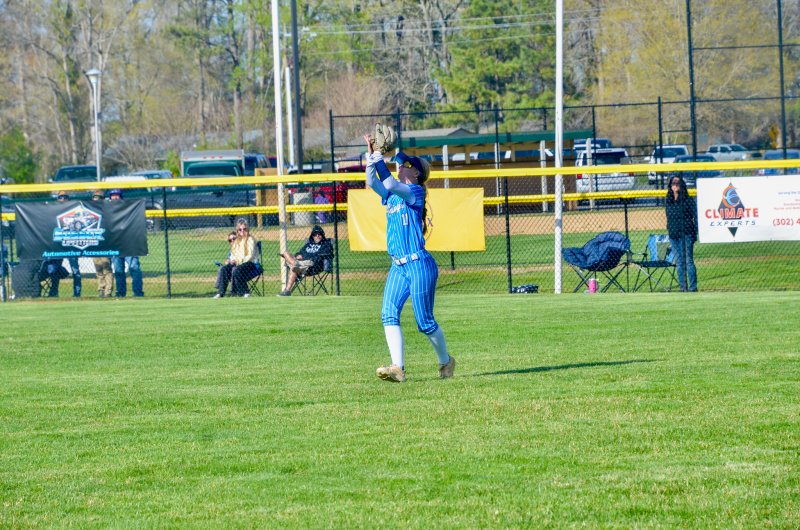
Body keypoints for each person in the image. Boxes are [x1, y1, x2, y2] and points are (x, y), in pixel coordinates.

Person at [362, 131, 455, 382]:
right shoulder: (392, 195)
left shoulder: (414, 192)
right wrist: (373, 154)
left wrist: (383, 156)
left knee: (424, 322)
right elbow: (373, 182)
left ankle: (446, 361)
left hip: (419, 264)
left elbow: (390, 181)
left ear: (415, 174)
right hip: (398, 266)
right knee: (388, 313)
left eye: (406, 166)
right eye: (401, 165)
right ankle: (397, 368)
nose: (402, 167)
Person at [278, 224, 334, 296]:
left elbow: (323, 254)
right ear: (312, 236)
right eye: (315, 234)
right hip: (300, 263)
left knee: (293, 268)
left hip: (312, 265)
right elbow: (300, 252)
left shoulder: (326, 244)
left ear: (322, 235)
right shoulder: (308, 244)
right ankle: (294, 263)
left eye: (319, 234)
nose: (317, 236)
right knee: (286, 253)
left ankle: (287, 290)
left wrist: (304, 256)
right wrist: (298, 256)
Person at [109, 189, 144, 297]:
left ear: (121, 197)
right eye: (112, 195)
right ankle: (120, 293)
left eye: (117, 195)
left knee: (134, 267)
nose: (115, 197)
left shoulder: (129, 208)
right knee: (118, 270)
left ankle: (138, 293)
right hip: (115, 244)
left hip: (130, 243)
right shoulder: (107, 210)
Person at [666, 175, 698, 292]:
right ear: (670, 186)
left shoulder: (688, 200)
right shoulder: (668, 200)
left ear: (682, 185)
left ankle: (693, 287)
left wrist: (695, 233)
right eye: (673, 184)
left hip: (687, 234)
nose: (675, 186)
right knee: (679, 262)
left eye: (677, 184)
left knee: (688, 261)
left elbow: (695, 216)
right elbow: (668, 218)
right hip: (674, 235)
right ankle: (682, 287)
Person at [214, 219, 260, 298]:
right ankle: (220, 293)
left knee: (236, 270)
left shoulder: (250, 239)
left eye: (244, 229)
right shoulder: (237, 241)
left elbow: (250, 256)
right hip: (238, 263)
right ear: (237, 231)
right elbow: (233, 254)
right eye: (240, 229)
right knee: (224, 269)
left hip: (250, 263)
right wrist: (231, 261)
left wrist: (237, 261)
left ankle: (244, 292)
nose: (242, 231)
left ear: (247, 229)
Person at [56, 191, 82, 297]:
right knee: (54, 269)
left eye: (65, 197)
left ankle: (77, 293)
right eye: (60, 197)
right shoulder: (54, 210)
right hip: (58, 245)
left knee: (75, 271)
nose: (63, 199)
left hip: (71, 244)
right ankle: (53, 292)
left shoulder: (73, 211)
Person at [90, 190, 114, 298]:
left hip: (105, 242)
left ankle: (108, 291)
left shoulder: (107, 210)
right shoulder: (89, 211)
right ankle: (101, 289)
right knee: (98, 267)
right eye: (95, 198)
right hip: (94, 242)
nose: (97, 200)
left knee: (106, 266)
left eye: (99, 198)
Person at [213, 231, 238, 295]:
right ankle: (220, 291)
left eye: (234, 239)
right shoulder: (231, 251)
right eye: (230, 240)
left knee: (232, 270)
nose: (232, 241)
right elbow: (230, 260)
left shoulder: (242, 248)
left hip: (240, 268)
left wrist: (235, 261)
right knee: (223, 268)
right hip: (232, 268)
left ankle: (234, 291)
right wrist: (228, 261)